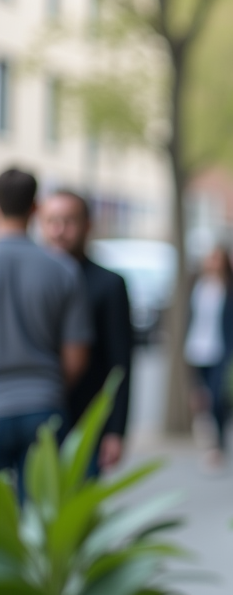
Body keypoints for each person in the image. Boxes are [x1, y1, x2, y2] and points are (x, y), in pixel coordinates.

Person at [0, 168, 92, 483]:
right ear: (35, 208)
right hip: (43, 404)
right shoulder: (62, 269)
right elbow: (76, 358)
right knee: (39, 521)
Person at [40, 189, 133, 476]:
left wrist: (116, 430)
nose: (59, 230)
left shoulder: (109, 284)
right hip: (35, 420)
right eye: (52, 221)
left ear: (87, 225)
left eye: (69, 221)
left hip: (86, 423)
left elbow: (121, 363)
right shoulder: (30, 278)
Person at [183, 245, 233, 469]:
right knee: (202, 400)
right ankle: (210, 444)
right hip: (197, 350)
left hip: (221, 352)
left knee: (218, 399)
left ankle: (219, 444)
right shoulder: (198, 285)